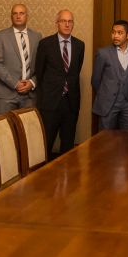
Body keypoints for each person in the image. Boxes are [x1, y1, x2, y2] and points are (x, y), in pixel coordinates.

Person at [34, 10, 85, 157]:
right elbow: (39, 72)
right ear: (57, 23)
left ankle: (66, 171)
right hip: (50, 103)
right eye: (63, 21)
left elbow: (75, 71)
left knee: (68, 146)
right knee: (46, 144)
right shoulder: (45, 44)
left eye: (70, 21)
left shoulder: (80, 45)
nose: (67, 24)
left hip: (71, 102)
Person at [0, 3, 41, 113]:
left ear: (27, 16)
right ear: (11, 16)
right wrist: (15, 83)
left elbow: (42, 64)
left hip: (30, 96)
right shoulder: (0, 36)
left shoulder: (37, 36)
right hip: (5, 95)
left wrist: (32, 82)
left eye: (21, 13)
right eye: (15, 13)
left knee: (28, 124)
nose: (18, 16)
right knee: (5, 125)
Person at [92, 20, 128, 131]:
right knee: (105, 138)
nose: (115, 36)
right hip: (108, 104)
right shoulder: (103, 53)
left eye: (120, 33)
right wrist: (106, 94)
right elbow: (95, 80)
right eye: (113, 32)